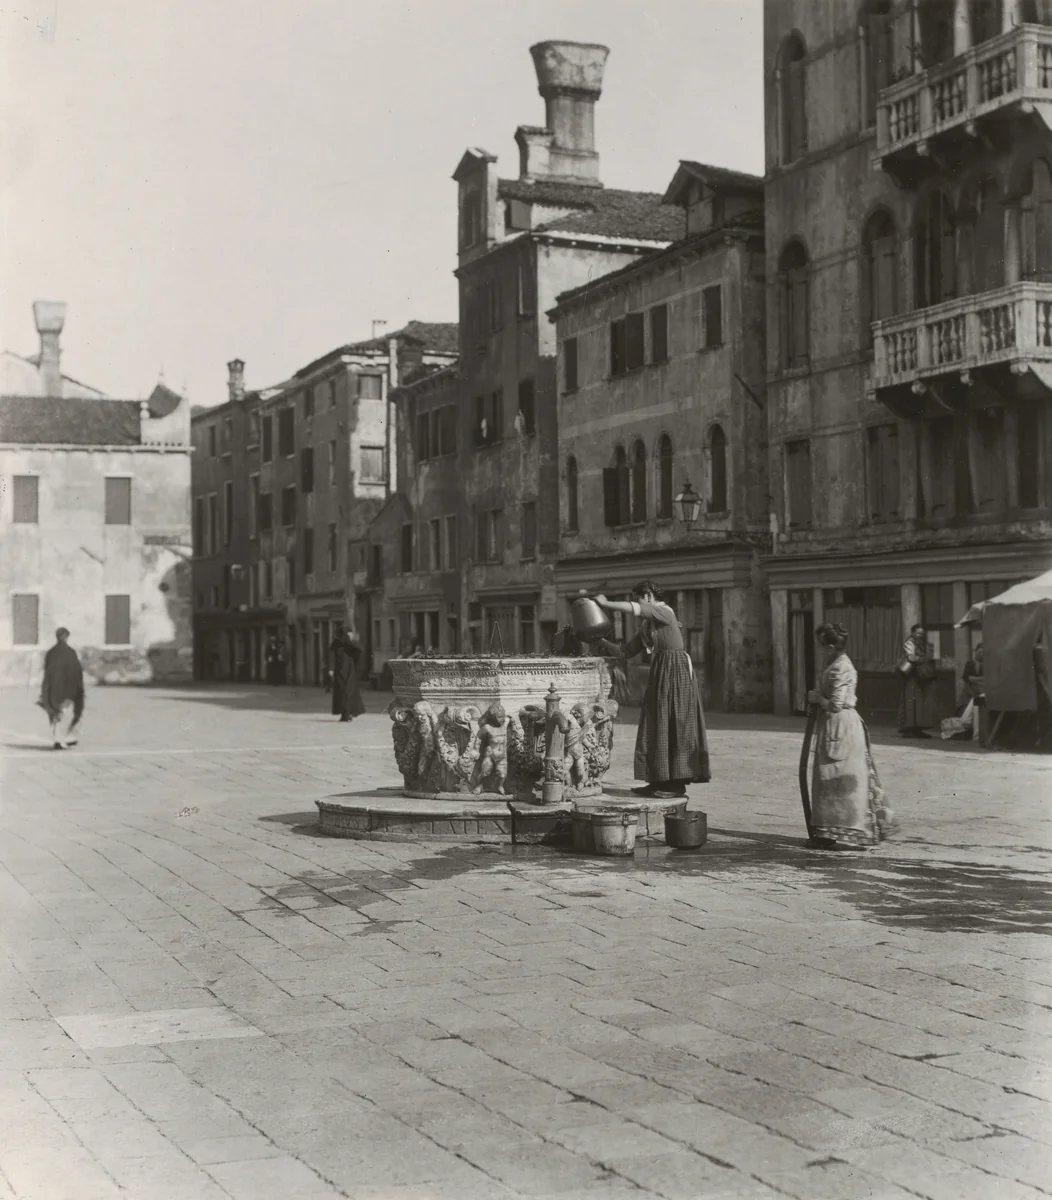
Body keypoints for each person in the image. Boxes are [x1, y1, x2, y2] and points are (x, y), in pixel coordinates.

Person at [594, 582, 710, 799]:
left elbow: (636, 609)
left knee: (676, 723)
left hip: (676, 669)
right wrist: (600, 641)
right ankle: (657, 779)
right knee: (656, 722)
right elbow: (626, 651)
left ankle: (676, 784)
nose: (638, 603)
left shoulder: (664, 612)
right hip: (662, 670)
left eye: (639, 598)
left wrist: (607, 603)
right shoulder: (649, 626)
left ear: (648, 596)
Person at [806, 623, 897, 849]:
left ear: (828, 646)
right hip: (832, 725)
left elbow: (836, 704)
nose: (817, 648)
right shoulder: (832, 663)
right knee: (828, 779)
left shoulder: (841, 667)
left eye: (820, 644)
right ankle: (826, 832)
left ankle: (848, 830)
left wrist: (817, 699)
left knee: (839, 779)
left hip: (841, 726)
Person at [37, 628, 84, 750]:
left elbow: (47, 672)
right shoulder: (71, 652)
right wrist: (78, 688)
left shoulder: (51, 653)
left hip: (54, 688)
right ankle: (63, 739)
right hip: (68, 688)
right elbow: (77, 672)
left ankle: (63, 738)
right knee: (67, 713)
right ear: (66, 637)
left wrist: (46, 689)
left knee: (57, 713)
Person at [898, 623, 937, 738]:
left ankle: (918, 727)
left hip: (921, 677)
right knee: (911, 702)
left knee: (920, 703)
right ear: (913, 633)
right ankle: (909, 728)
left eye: (922, 634)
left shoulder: (922, 645)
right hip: (911, 676)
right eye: (918, 633)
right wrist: (923, 659)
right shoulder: (909, 643)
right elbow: (911, 658)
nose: (920, 635)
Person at [331, 631, 366, 722]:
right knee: (344, 693)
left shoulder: (347, 645)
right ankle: (345, 714)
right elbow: (331, 656)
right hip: (343, 672)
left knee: (347, 693)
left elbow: (360, 650)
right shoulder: (338, 644)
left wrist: (351, 641)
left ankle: (347, 714)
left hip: (347, 672)